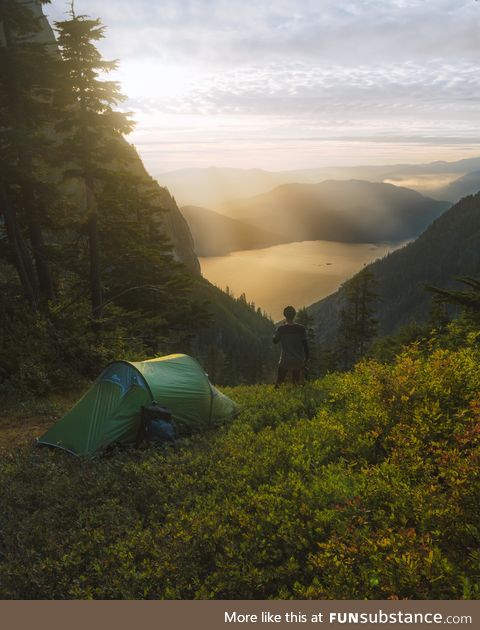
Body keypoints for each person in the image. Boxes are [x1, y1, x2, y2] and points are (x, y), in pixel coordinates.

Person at [273, 305, 309, 387]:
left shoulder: (281, 329)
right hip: (298, 360)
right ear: (294, 315)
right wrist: (306, 360)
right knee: (295, 384)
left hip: (285, 360)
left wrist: (274, 335)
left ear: (284, 315)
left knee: (279, 383)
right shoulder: (301, 329)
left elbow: (275, 341)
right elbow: (305, 346)